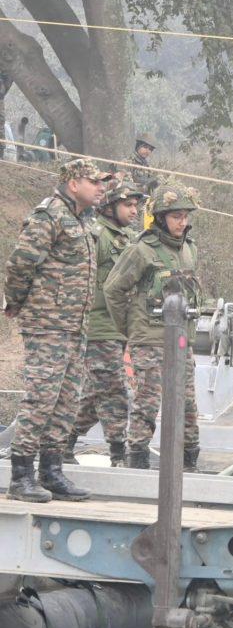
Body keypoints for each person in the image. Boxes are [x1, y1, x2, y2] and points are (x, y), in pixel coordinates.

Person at [3, 158, 112, 502]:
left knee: (66, 400)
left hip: (74, 324)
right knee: (43, 398)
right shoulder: (48, 216)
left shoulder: (85, 220)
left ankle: (51, 472)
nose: (100, 188)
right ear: (73, 183)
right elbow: (21, 263)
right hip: (47, 323)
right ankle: (21, 475)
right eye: (94, 182)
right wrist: (17, 303)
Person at [103, 181, 202, 472]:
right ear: (160, 217)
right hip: (150, 340)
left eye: (185, 216)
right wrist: (131, 329)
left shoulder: (189, 249)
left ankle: (189, 463)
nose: (182, 222)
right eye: (175, 216)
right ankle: (138, 461)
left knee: (188, 403)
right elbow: (113, 289)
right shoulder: (142, 250)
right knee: (148, 402)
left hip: (181, 340)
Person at [66, 174, 143, 467]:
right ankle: (119, 455)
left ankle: (62, 441)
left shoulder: (126, 238)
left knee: (97, 394)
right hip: (98, 327)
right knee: (115, 391)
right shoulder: (96, 235)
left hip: (119, 327)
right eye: (128, 204)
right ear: (110, 205)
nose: (134, 211)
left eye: (136, 205)